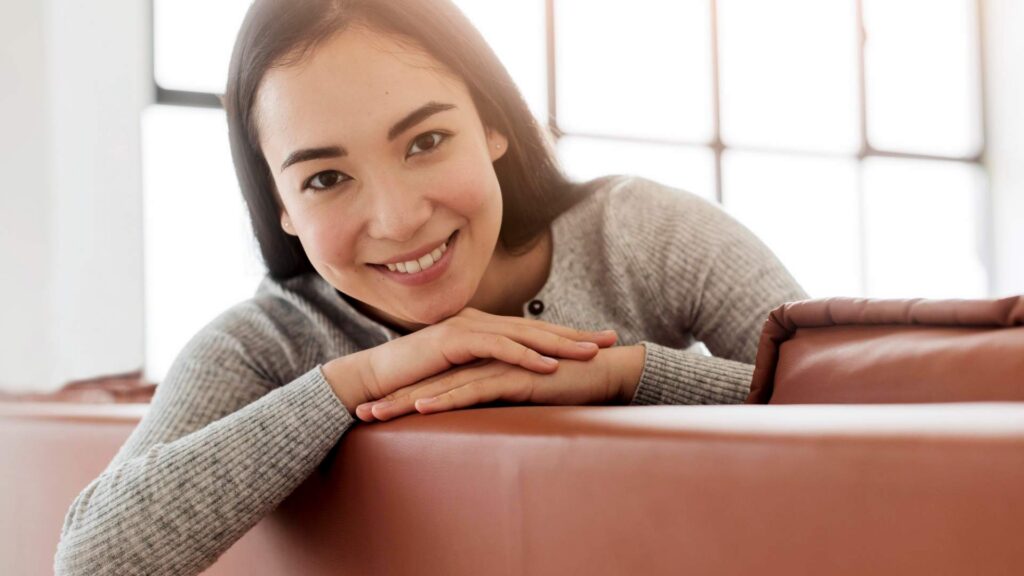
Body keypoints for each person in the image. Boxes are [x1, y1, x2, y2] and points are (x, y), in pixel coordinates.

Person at [54, 0, 808, 574]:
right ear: (282, 207)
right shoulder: (268, 341)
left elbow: (851, 400)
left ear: (492, 124)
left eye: (426, 141)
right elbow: (92, 560)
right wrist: (362, 379)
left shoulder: (642, 232)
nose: (398, 219)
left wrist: (627, 375)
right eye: (326, 178)